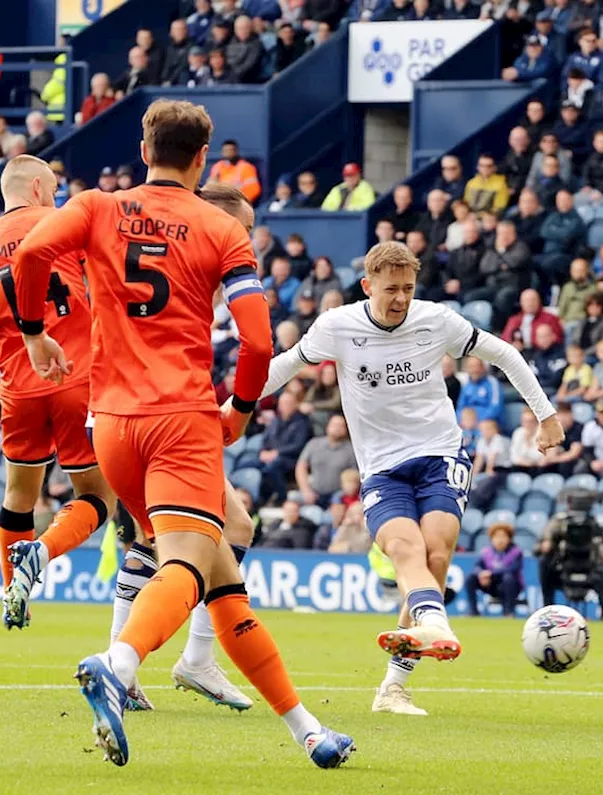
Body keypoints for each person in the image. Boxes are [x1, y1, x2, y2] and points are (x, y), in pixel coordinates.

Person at [12, 102, 353, 768]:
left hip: (110, 423)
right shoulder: (220, 227)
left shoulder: (95, 207)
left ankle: (308, 729)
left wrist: (33, 331)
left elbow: (28, 252)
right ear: (205, 160)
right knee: (187, 566)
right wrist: (244, 410)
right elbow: (257, 339)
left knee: (221, 574)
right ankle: (118, 661)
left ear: (144, 147)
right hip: (180, 420)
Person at [240, 240, 562, 717]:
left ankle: (400, 674)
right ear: (368, 285)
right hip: (382, 467)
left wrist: (546, 415)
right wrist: (230, 407)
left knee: (435, 551)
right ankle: (420, 642)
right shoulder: (338, 326)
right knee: (405, 550)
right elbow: (286, 366)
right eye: (391, 289)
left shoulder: (436, 319)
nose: (400, 299)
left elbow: (504, 353)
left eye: (408, 288)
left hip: (439, 454)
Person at [0, 155, 114, 630]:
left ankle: (10, 588)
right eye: (54, 190)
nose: (56, 197)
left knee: (18, 495)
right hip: (76, 375)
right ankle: (41, 551)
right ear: (38, 187)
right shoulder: (62, 222)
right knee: (98, 496)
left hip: (18, 387)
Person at [295, 413, 356, 508]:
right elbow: (301, 466)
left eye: (341, 426)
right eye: (334, 425)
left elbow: (353, 476)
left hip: (338, 496)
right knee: (292, 498)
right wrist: (306, 490)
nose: (337, 428)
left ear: (346, 430)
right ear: (327, 427)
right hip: (314, 492)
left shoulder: (351, 450)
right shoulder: (313, 444)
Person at [465, 521, 524, 617]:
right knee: (470, 578)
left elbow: (513, 568)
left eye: (503, 536)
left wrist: (491, 573)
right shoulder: (486, 552)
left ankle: (508, 613)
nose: (500, 540)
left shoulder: (516, 552)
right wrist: (481, 573)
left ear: (509, 538)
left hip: (510, 585)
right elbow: (476, 567)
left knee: (508, 578)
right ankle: (473, 611)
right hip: (490, 583)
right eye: (497, 536)